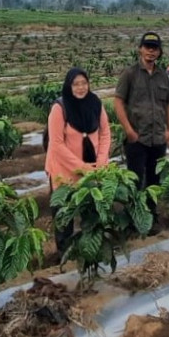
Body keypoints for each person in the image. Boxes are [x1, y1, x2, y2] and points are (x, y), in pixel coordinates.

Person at [45, 67, 112, 252]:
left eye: (84, 83)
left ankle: (88, 250)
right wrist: (82, 167)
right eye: (76, 84)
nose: (81, 88)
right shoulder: (59, 108)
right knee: (63, 214)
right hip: (63, 172)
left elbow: (105, 133)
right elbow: (57, 144)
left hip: (92, 169)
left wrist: (101, 161)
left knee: (89, 212)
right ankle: (64, 253)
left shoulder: (96, 103)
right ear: (69, 86)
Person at [114, 32, 169, 230]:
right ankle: (134, 220)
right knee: (135, 180)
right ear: (140, 49)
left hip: (157, 138)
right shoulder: (130, 74)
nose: (151, 51)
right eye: (147, 47)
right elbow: (118, 102)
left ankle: (151, 218)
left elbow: (168, 104)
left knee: (154, 180)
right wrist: (129, 130)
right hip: (137, 138)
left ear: (159, 52)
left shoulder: (163, 75)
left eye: (154, 48)